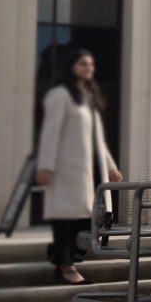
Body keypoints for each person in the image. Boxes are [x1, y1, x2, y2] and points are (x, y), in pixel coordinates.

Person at [35, 49, 121, 285]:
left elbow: (98, 139)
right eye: (83, 63)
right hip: (67, 169)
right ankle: (65, 267)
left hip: (89, 168)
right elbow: (50, 133)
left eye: (91, 65)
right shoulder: (60, 95)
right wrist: (45, 166)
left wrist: (111, 166)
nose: (88, 68)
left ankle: (66, 259)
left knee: (86, 218)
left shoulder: (87, 96)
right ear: (71, 66)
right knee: (66, 219)